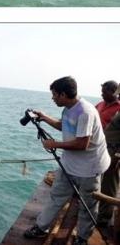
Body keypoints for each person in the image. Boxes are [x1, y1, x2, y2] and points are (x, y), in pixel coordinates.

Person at [23, 76, 110, 245]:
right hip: (69, 164)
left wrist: (54, 144)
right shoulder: (69, 108)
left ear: (63, 94)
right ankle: (41, 227)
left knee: (87, 205)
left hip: (90, 168)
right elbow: (65, 125)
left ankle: (82, 238)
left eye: (54, 95)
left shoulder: (85, 112)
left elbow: (82, 143)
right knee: (56, 196)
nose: (53, 98)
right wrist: (44, 117)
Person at [98, 80, 120, 225]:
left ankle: (105, 217)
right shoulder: (100, 104)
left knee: (109, 183)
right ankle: (99, 210)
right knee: (100, 179)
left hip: (114, 151)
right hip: (102, 148)